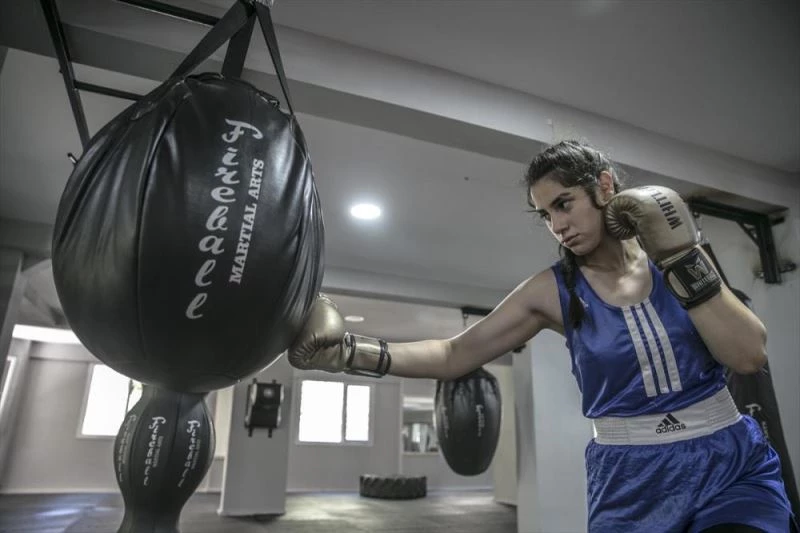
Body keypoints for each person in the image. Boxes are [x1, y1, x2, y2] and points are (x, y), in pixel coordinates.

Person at [287, 140, 795, 532]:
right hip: (632, 478)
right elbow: (454, 353)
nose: (557, 225)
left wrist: (682, 256)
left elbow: (749, 355)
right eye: (546, 215)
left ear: (604, 187)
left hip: (729, 462)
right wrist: (350, 352)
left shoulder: (675, 261)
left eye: (564, 204)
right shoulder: (552, 291)